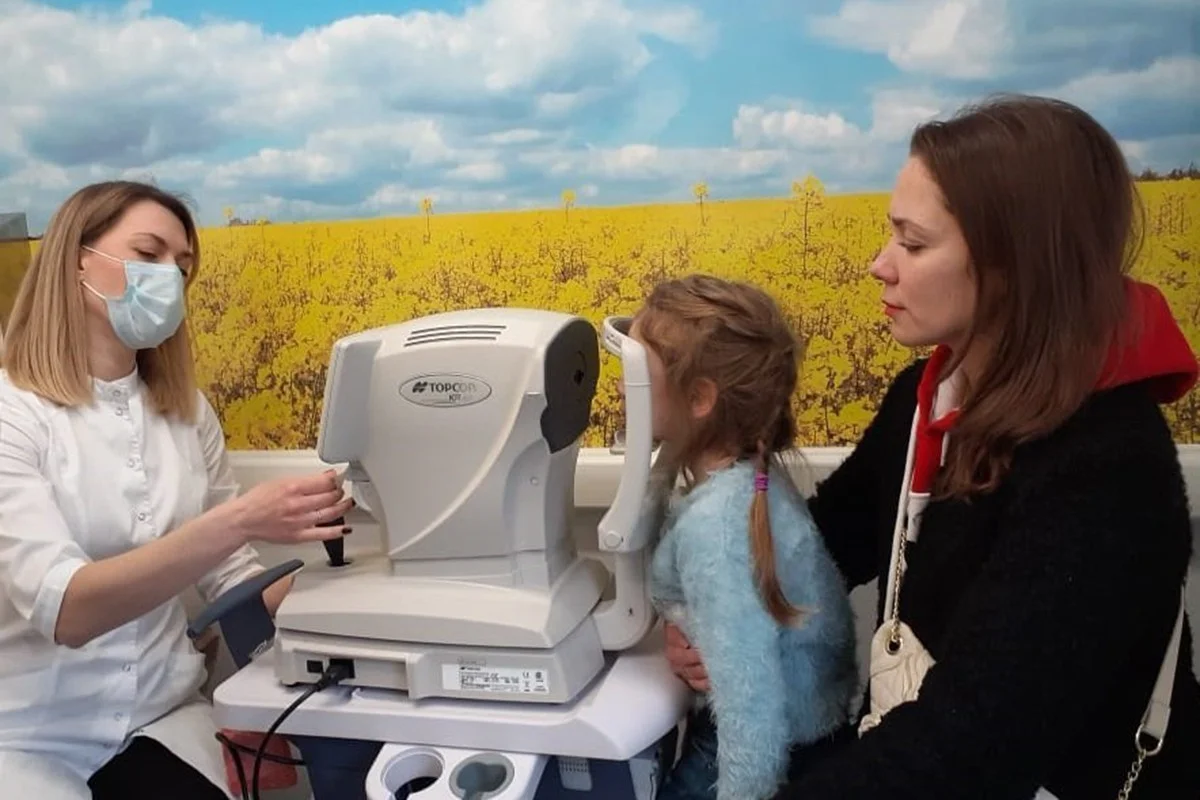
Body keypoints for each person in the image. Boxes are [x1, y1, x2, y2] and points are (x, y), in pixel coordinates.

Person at [662, 94, 1200, 798]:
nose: (879, 266)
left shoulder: (1107, 471)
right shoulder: (927, 397)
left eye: (913, 245)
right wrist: (712, 615)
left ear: (1014, 265)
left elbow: (969, 748)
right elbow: (824, 545)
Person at [0, 180, 354, 799]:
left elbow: (231, 577)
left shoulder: (186, 413)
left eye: (182, 265)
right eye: (149, 253)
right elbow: (68, 611)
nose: (169, 276)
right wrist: (240, 520)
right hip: (28, 733)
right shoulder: (14, 413)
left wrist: (360, 605)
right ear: (77, 260)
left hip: (159, 716)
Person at [623, 275, 859, 800]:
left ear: (699, 398)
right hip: (811, 728)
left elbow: (749, 700)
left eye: (637, 374)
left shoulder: (717, 529)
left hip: (763, 751)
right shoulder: (750, 476)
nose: (622, 387)